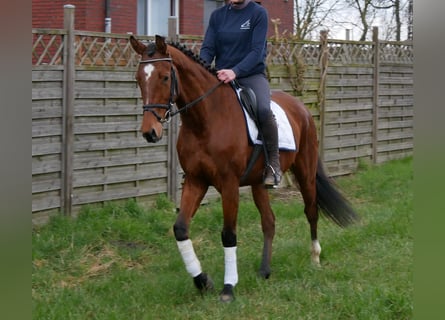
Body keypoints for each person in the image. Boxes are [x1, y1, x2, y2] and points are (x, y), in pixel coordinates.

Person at [200, 0, 282, 188]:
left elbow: (256, 51)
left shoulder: (258, 13)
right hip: (221, 77)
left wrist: (235, 71)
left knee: (262, 109)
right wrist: (202, 69)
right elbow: (207, 49)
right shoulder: (217, 16)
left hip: (250, 75)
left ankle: (273, 165)